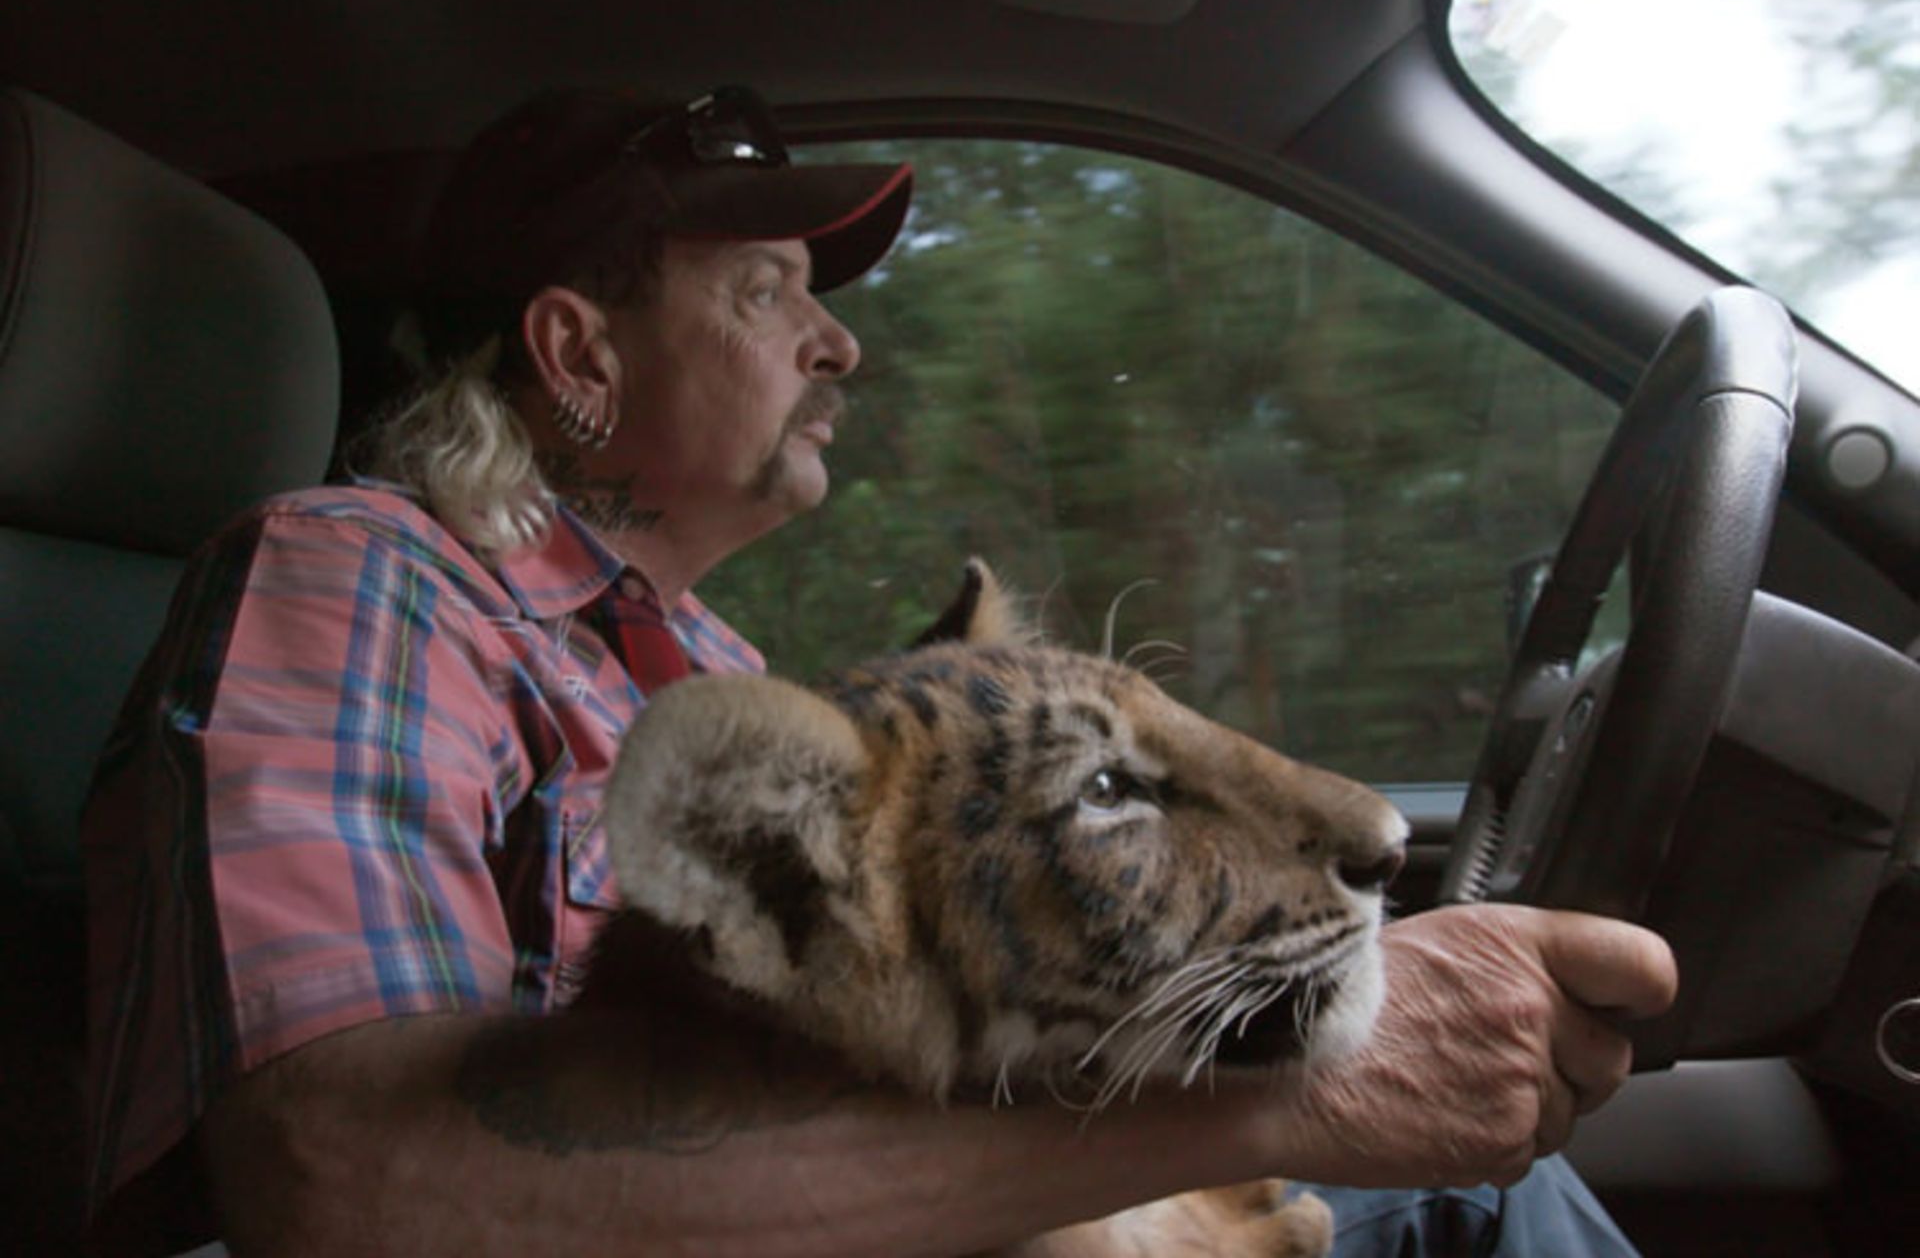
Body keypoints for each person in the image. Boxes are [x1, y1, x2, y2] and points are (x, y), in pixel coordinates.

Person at [79, 84, 1676, 1257]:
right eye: (767, 291)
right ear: (577, 354)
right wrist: (1282, 1106)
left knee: (1494, 1185)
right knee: (1485, 1201)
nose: (838, 343)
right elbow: (353, 1182)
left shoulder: (706, 656)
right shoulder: (361, 575)